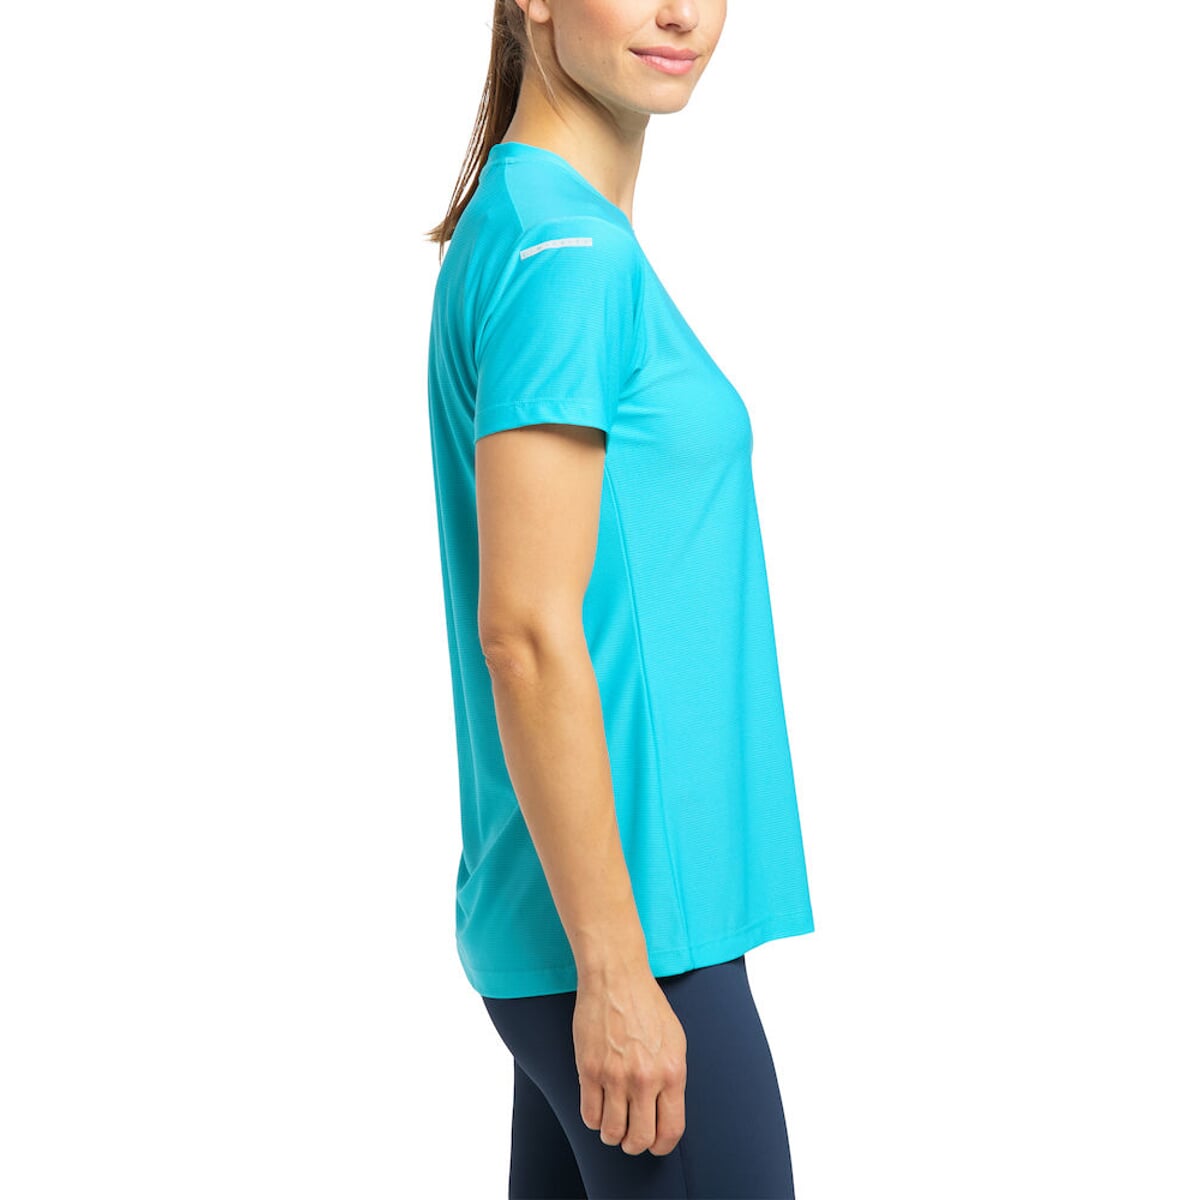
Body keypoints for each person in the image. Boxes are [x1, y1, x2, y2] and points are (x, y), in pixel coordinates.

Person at [424, 2, 815, 1195]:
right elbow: (526, 632)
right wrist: (614, 970)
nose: (682, 12)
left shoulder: (526, 225)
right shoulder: (568, 256)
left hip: (594, 931)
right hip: (638, 938)